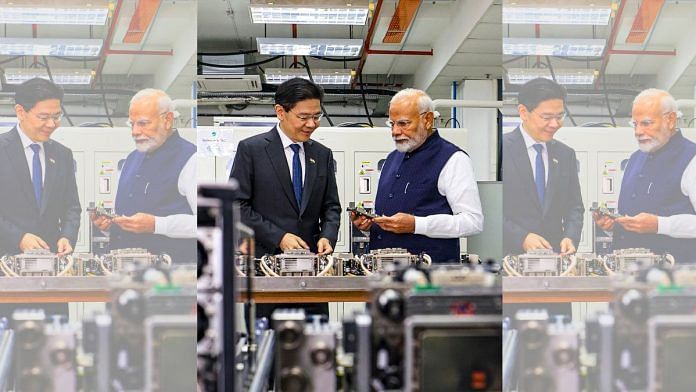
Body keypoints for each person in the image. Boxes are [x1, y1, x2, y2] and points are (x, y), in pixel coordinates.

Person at [230, 78, 341, 316]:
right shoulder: (252, 150)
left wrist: (327, 237)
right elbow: (237, 205)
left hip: (313, 271)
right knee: (267, 343)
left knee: (316, 342)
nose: (312, 124)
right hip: (266, 270)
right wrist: (278, 236)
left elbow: (331, 207)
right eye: (303, 117)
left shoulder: (322, 155)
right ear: (280, 112)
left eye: (317, 116)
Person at [351, 88, 483, 263]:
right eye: (392, 124)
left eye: (403, 123)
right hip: (386, 272)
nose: (395, 131)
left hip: (430, 277)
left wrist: (417, 225)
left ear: (427, 119)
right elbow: (394, 220)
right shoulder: (392, 159)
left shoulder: (453, 159)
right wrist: (370, 226)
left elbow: (472, 222)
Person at [90, 89, 196, 264]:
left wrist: (156, 225)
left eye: (143, 123)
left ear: (167, 120)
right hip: (126, 272)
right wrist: (108, 227)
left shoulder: (190, 159)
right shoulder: (131, 159)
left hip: (171, 278)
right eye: (131, 124)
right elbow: (129, 219)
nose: (135, 131)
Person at [593, 88, 696, 263]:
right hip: (631, 275)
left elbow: (655, 223)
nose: (638, 131)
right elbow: (635, 219)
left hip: (674, 279)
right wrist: (614, 226)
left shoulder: (691, 158)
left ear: (670, 120)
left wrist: (660, 225)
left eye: (647, 123)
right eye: (635, 124)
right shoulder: (635, 159)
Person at [503, 78, 584, 256]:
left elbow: (574, 206)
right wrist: (521, 237)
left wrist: (570, 236)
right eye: (546, 117)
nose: (555, 124)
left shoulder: (565, 154)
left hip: (554, 257)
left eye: (560, 116)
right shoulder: (500, 150)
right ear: (523, 112)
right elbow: (489, 209)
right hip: (510, 257)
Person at [0, 77, 81, 257]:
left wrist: (67, 236)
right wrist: (18, 237)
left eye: (57, 116)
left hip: (50, 261)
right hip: (5, 260)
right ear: (20, 112)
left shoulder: (62, 155)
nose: (52, 124)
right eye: (43, 117)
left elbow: (71, 207)